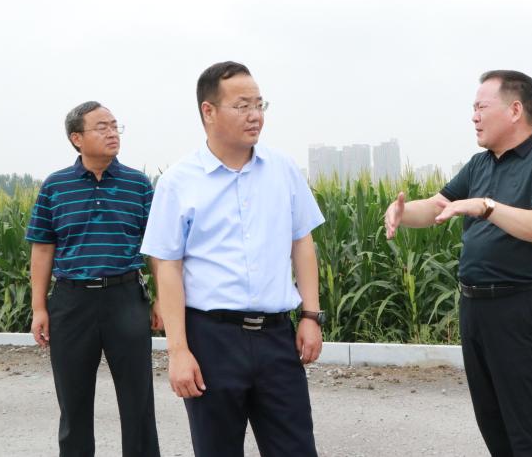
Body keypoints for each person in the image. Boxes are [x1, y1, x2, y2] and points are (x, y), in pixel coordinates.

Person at [384, 70, 532, 456]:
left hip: (519, 308)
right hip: (474, 309)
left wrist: (487, 207)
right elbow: (439, 206)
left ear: (515, 110)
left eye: (481, 107)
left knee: (527, 427)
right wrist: (402, 213)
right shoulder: (480, 164)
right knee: (493, 422)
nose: (474, 116)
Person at [140, 61, 325, 457]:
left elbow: (302, 242)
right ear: (208, 111)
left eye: (259, 104)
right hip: (211, 340)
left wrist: (311, 316)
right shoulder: (178, 182)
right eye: (242, 106)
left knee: (296, 448)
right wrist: (178, 351)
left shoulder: (283, 170)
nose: (255, 115)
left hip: (277, 337)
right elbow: (168, 267)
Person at [26, 101, 161, 457]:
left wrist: (162, 298)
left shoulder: (137, 184)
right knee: (73, 404)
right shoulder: (56, 186)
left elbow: (158, 248)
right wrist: (39, 308)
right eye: (102, 127)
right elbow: (43, 248)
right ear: (77, 138)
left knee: (138, 401)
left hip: (125, 297)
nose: (112, 132)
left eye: (115, 126)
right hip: (72, 303)